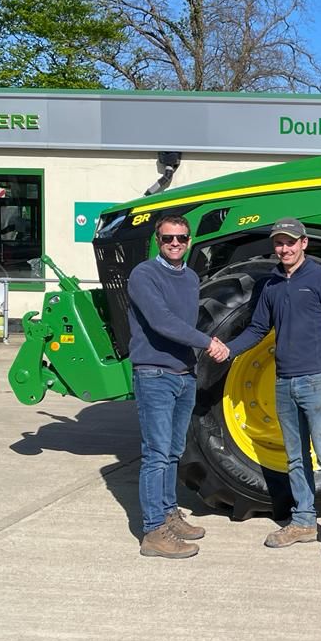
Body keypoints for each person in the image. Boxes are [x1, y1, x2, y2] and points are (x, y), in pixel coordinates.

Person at [225, 217, 321, 563]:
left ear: (304, 243)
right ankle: (304, 522)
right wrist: (227, 348)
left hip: (318, 380)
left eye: (290, 242)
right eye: (279, 243)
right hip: (283, 381)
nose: (284, 248)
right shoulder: (272, 286)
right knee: (295, 458)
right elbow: (256, 330)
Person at [126, 214, 229, 558]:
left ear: (189, 240)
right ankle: (153, 531)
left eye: (181, 238)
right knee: (156, 454)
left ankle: (169, 513)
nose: (175, 243)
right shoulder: (144, 275)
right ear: (158, 240)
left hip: (183, 374)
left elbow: (185, 322)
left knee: (172, 451)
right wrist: (208, 342)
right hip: (154, 374)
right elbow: (161, 321)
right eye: (168, 238)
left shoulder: (190, 277)